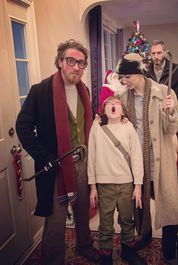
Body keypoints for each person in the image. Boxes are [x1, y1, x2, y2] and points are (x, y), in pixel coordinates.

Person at [15, 39, 100, 264]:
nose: (77, 67)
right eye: (71, 61)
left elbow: (85, 125)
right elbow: (23, 126)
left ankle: (85, 245)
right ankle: (53, 259)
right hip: (56, 165)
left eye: (81, 63)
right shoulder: (40, 91)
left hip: (83, 161)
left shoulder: (85, 90)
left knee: (83, 209)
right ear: (60, 61)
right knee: (56, 217)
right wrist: (44, 157)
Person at [116, 53, 178, 265]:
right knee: (139, 206)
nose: (124, 81)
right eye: (122, 77)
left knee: (169, 206)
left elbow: (172, 128)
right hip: (137, 164)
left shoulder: (164, 92)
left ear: (139, 73)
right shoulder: (124, 97)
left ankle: (169, 251)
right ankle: (144, 238)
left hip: (160, 162)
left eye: (127, 77)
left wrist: (171, 110)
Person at [88, 96, 147, 265]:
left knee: (127, 220)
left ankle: (128, 251)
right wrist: (93, 186)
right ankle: (106, 255)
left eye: (117, 104)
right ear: (104, 109)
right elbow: (91, 156)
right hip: (104, 185)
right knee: (106, 223)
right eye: (109, 104)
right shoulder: (97, 127)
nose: (113, 106)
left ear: (122, 110)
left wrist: (137, 186)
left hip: (126, 184)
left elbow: (136, 157)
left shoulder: (128, 127)